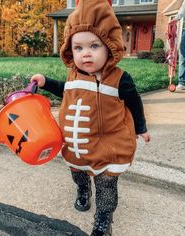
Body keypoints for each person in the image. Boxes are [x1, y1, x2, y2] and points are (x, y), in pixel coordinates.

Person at [31, 0, 150, 235]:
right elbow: (65, 89)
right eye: (78, 48)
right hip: (77, 144)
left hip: (109, 143)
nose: (86, 53)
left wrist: (141, 127)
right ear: (70, 50)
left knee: (106, 182)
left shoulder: (119, 78)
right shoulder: (74, 76)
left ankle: (104, 217)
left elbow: (134, 102)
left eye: (94, 46)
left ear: (109, 46)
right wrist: (46, 83)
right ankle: (83, 190)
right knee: (78, 172)